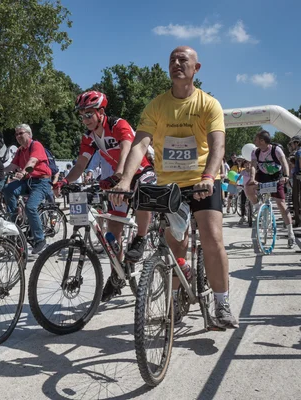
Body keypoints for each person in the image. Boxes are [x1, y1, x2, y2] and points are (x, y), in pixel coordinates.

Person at [109, 46, 238, 329]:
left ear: (197, 68)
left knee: (212, 237)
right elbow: (141, 142)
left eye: (183, 60)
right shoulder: (156, 105)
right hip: (170, 184)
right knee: (174, 243)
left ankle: (222, 301)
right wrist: (126, 179)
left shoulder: (208, 104)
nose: (177, 64)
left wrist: (208, 175)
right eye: (172, 60)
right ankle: (176, 300)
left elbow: (218, 144)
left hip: (203, 181)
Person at [55, 90, 156, 302]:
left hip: (139, 172)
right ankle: (116, 276)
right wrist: (65, 182)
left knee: (143, 195)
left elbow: (127, 150)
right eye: (81, 116)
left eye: (88, 114)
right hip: (116, 180)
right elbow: (81, 165)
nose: (85, 120)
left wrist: (120, 177)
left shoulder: (118, 124)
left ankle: (141, 238)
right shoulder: (89, 137)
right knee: (113, 231)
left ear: (101, 112)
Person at [3, 124, 53, 254]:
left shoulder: (36, 145)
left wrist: (23, 172)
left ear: (29, 134)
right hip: (27, 182)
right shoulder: (20, 150)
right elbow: (12, 166)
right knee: (8, 189)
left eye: (21, 133)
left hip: (41, 181)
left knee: (30, 207)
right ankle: (15, 220)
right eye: (16, 134)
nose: (18, 136)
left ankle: (40, 240)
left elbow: (32, 162)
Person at [245, 130, 294, 247]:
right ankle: (257, 207)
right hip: (262, 176)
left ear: (262, 141)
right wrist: (252, 178)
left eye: (256, 139)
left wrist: (286, 176)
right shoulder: (255, 152)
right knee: (248, 187)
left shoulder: (276, 150)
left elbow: (284, 163)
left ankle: (290, 233)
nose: (254, 141)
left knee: (281, 204)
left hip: (276, 177)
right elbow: (253, 166)